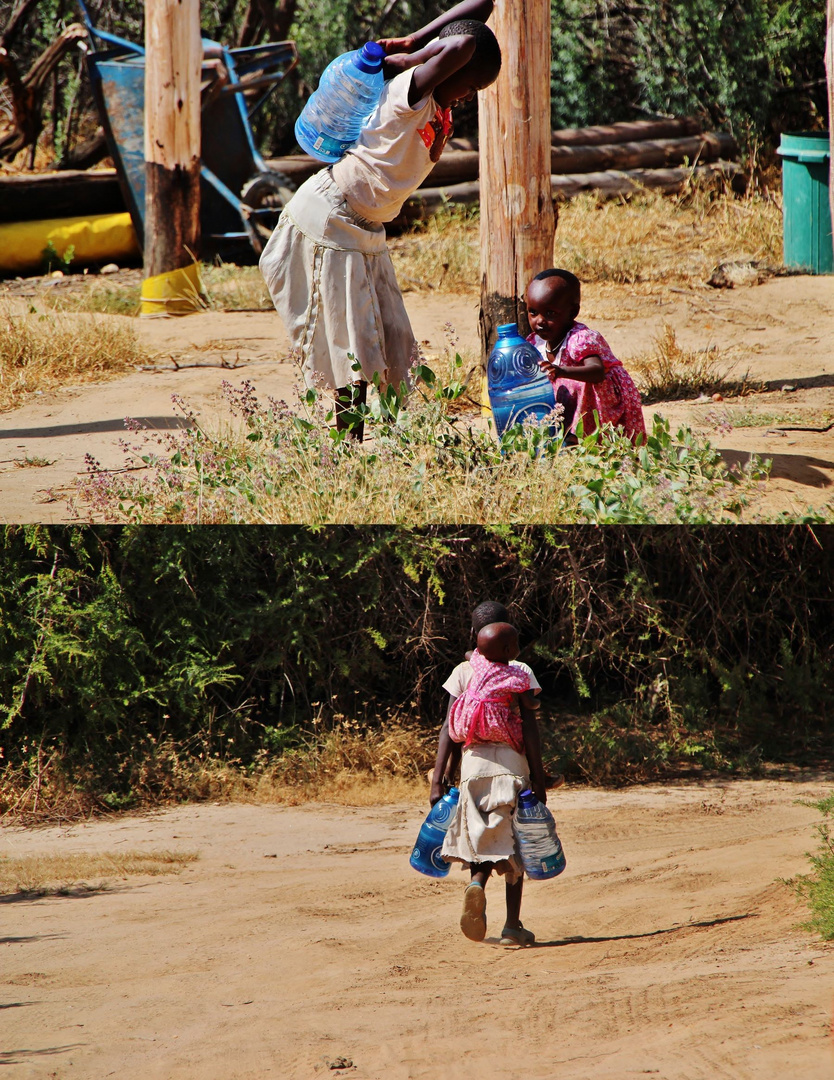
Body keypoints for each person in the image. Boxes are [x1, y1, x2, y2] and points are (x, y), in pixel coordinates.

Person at [260, 3, 502, 440]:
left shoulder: (435, 106)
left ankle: (393, 440)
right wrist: (414, 51)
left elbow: (483, 6)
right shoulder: (410, 92)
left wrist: (420, 43)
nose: (469, 95)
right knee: (348, 346)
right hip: (329, 219)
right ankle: (347, 448)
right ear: (444, 67)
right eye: (469, 84)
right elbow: (465, 42)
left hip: (365, 228)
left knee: (391, 343)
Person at [432, 603, 551, 946]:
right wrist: (540, 779)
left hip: (473, 767)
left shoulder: (463, 671)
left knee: (482, 837)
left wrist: (441, 778)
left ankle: (476, 885)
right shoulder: (520, 672)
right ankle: (513, 925)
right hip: (512, 766)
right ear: (510, 639)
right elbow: (530, 729)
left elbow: (449, 729)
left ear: (474, 636)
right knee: (515, 840)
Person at [525, 268, 646, 445]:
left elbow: (597, 372)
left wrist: (560, 371)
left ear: (572, 313)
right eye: (533, 312)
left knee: (574, 384)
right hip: (574, 394)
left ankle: (580, 438)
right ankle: (562, 435)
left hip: (603, 394)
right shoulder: (535, 342)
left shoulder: (579, 338)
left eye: (550, 313)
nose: (539, 321)